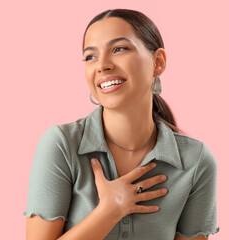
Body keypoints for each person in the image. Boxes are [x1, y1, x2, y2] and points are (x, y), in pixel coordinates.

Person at [23, 9, 219, 240]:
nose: (102, 65)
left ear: (158, 62)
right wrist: (109, 211)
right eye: (91, 56)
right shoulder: (61, 144)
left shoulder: (196, 161)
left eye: (119, 49)